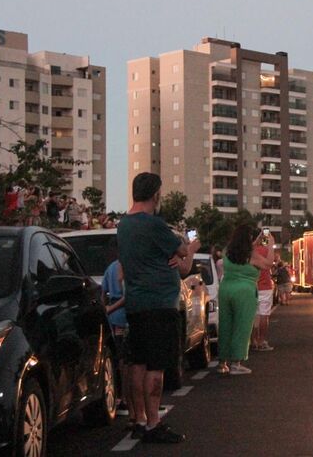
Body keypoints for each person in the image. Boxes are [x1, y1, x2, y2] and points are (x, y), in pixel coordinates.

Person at [117, 172, 199, 444]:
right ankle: (154, 422)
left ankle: (139, 419)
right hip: (159, 304)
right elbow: (183, 254)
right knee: (156, 367)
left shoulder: (124, 225)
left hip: (136, 304)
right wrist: (191, 244)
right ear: (155, 194)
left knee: (138, 364)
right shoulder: (153, 225)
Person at [217, 226, 275, 375]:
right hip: (244, 291)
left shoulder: (227, 251)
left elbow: (245, 248)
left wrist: (257, 241)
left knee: (225, 325)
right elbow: (268, 264)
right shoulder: (251, 255)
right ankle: (236, 363)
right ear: (247, 239)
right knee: (242, 326)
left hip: (225, 289)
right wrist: (270, 246)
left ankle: (222, 362)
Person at [101, 255, 135, 428]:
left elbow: (102, 292)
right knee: (126, 360)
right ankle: (126, 399)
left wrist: (105, 310)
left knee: (119, 358)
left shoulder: (111, 267)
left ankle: (121, 396)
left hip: (113, 318)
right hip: (124, 316)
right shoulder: (130, 266)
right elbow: (128, 296)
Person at [252, 233, 276, 351]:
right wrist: (271, 244)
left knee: (253, 316)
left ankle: (254, 340)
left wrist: (257, 239)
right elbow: (271, 263)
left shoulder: (252, 251)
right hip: (265, 286)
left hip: (253, 286)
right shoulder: (267, 250)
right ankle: (261, 341)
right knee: (264, 315)